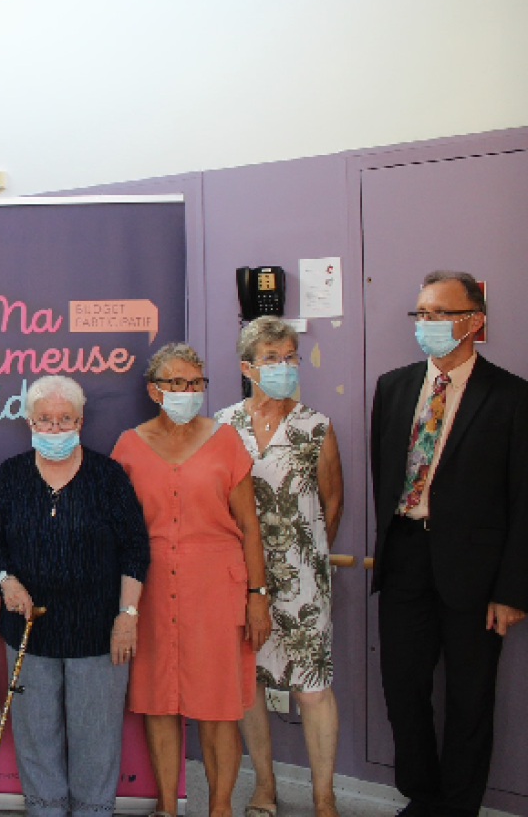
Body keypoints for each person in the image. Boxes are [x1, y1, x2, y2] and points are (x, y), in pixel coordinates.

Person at [371, 271, 528, 817]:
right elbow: (386, 475)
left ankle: (459, 807)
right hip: (406, 559)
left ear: (474, 320)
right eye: (420, 314)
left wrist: (511, 591)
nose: (427, 325)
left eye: (439, 313)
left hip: (476, 570)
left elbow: (524, 500)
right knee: (403, 690)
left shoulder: (510, 396)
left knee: (469, 697)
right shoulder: (392, 387)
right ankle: (423, 797)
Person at [110, 343, 270, 817]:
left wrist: (257, 597)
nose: (187, 391)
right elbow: (120, 530)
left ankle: (219, 807)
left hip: (216, 588)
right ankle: (167, 807)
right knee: (159, 702)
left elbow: (250, 526)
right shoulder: (128, 445)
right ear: (154, 390)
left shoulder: (226, 441)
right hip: (151, 588)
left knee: (218, 708)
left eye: (196, 383)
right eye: (177, 383)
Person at [0, 375, 150, 817]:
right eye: (45, 420)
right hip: (30, 628)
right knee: (36, 733)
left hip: (97, 631)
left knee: (97, 734)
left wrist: (126, 615)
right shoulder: (13, 474)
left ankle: (94, 811)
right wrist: (6, 580)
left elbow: (135, 549)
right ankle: (46, 809)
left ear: (80, 420)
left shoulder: (107, 476)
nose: (55, 429)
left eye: (64, 420)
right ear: (29, 421)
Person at [214, 316, 344, 817]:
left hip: (304, 582)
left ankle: (324, 798)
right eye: (273, 358)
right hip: (241, 580)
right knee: (249, 685)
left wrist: (302, 556)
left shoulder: (316, 426)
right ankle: (264, 786)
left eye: (291, 356)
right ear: (248, 367)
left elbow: (332, 502)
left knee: (312, 689)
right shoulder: (224, 426)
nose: (285, 365)